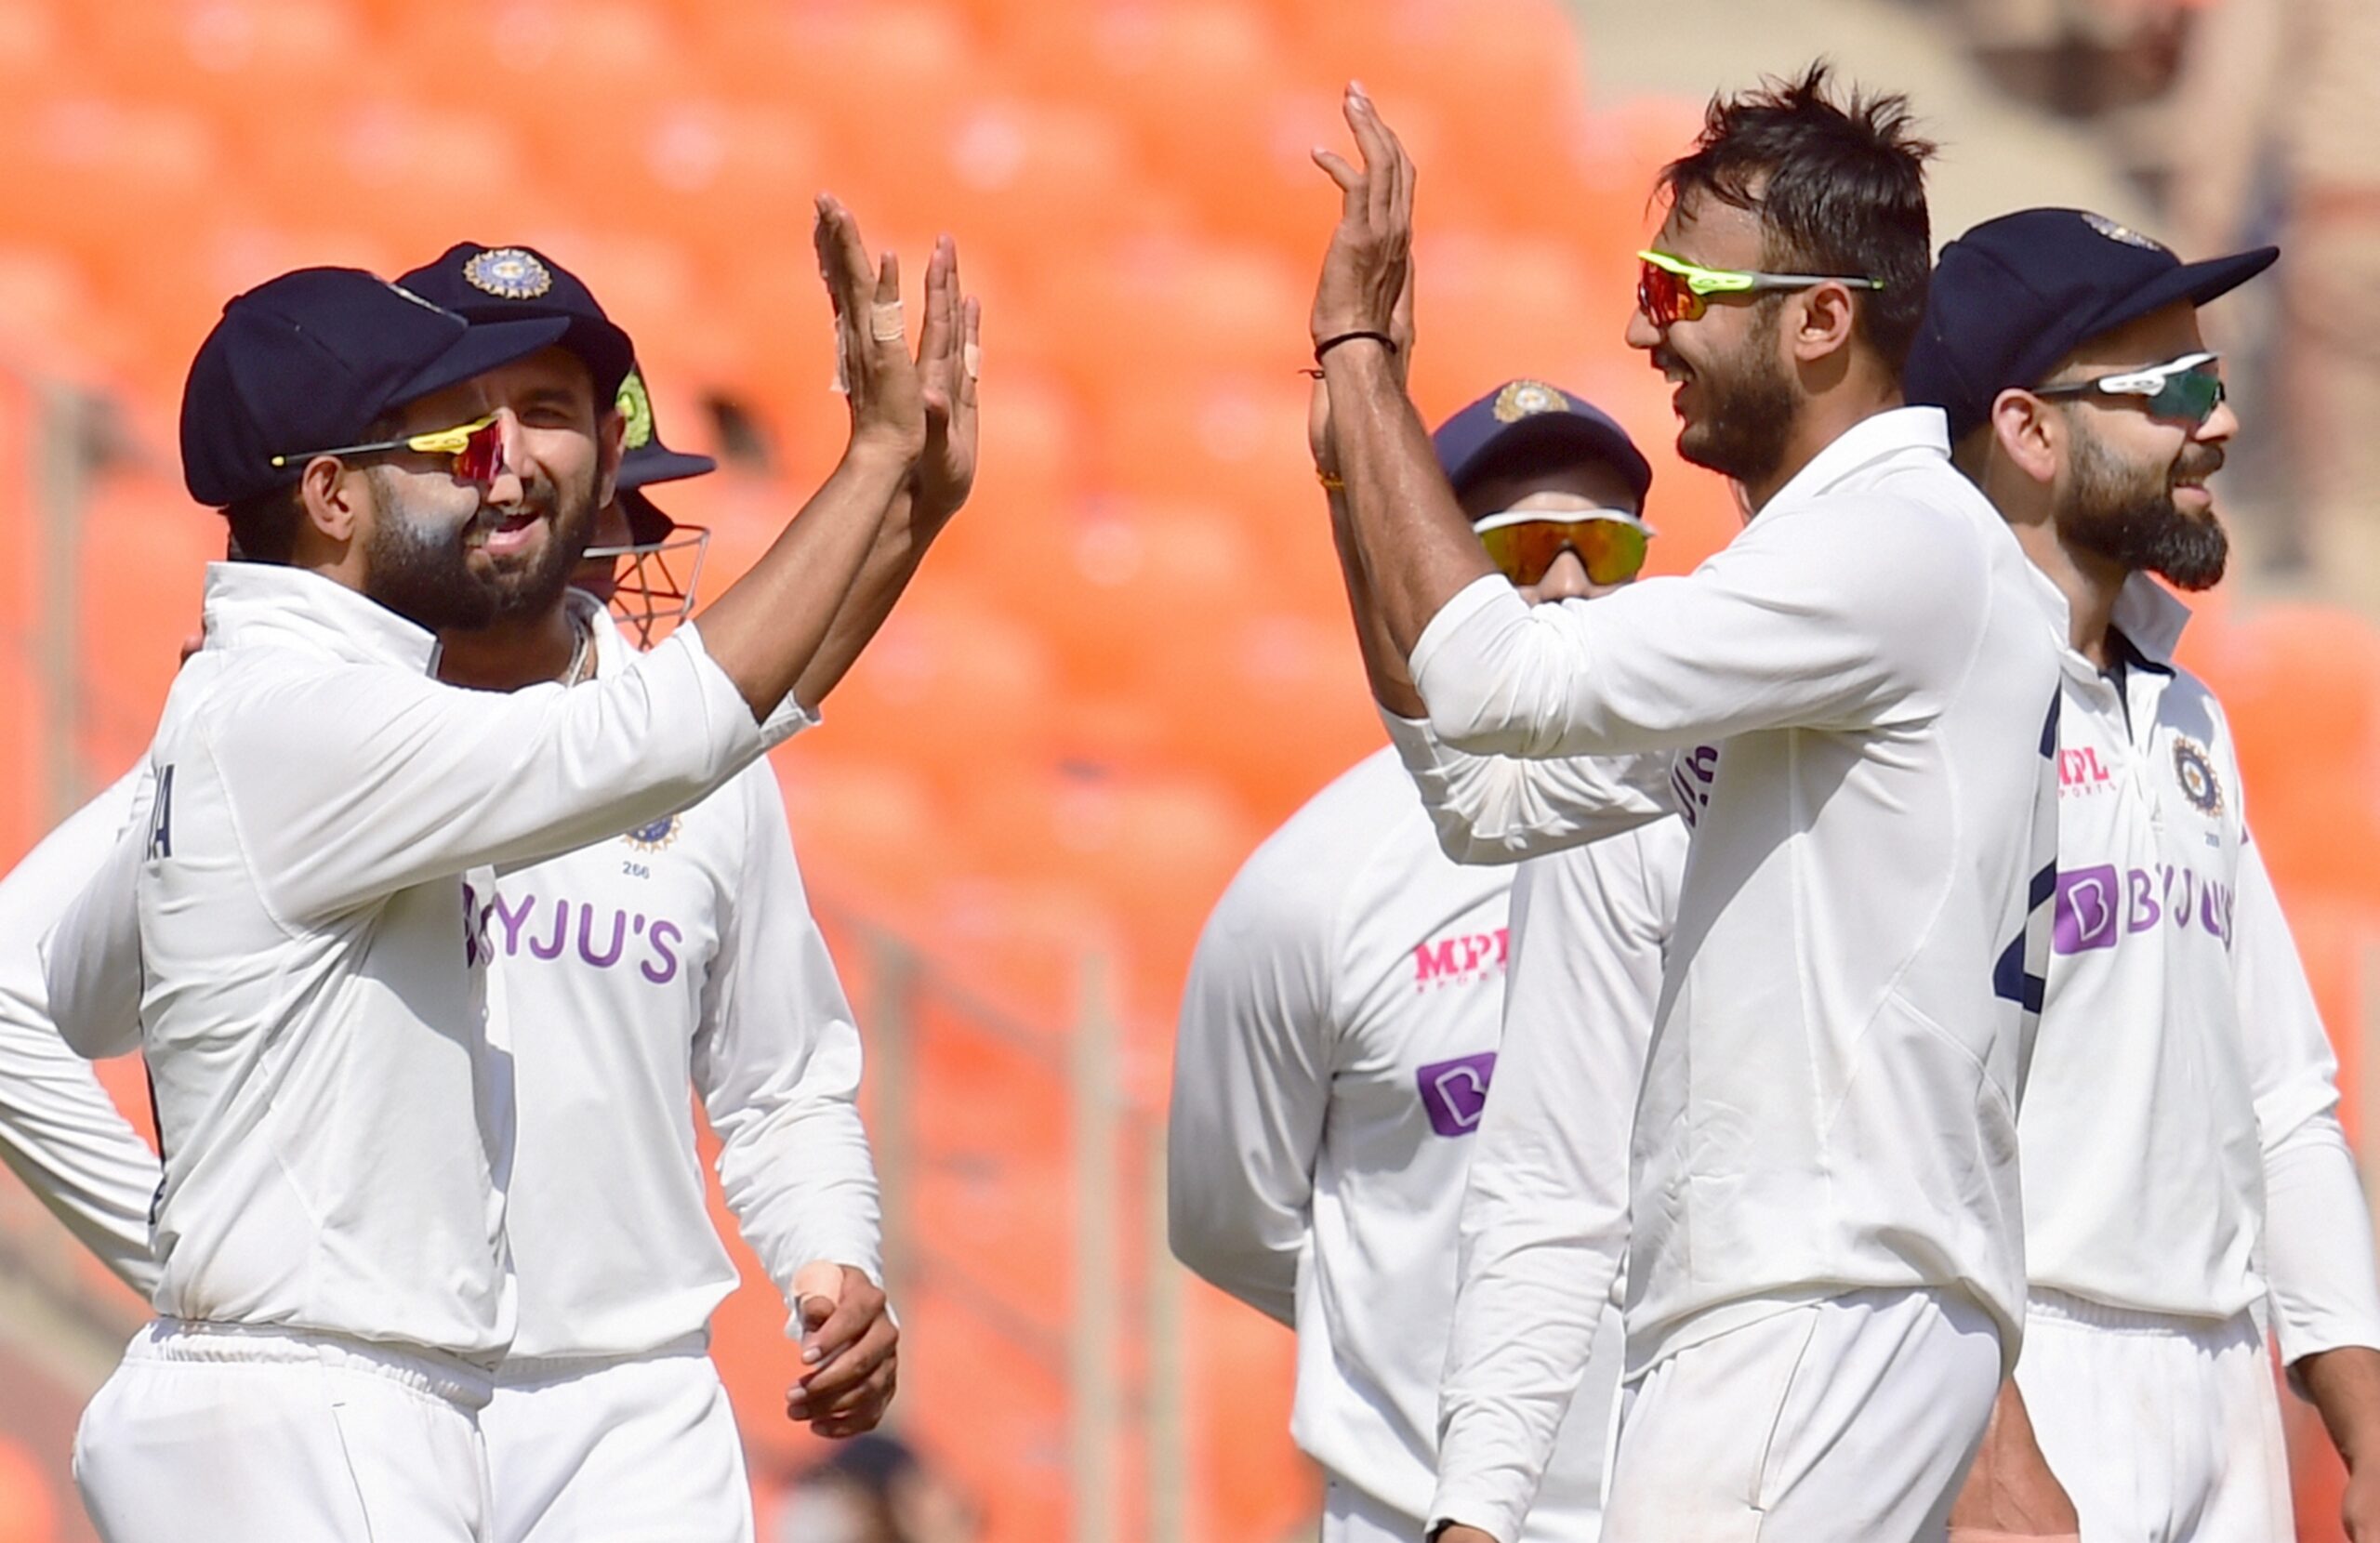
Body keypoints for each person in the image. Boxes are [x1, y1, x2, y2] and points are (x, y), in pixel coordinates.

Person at [42, 197, 943, 1543]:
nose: (494, 469)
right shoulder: (316, 726)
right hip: (333, 1385)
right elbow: (643, 745)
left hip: (565, 1402)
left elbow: (776, 1071)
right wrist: (880, 482)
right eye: (450, 437)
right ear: (334, 494)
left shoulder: (263, 713)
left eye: (534, 422)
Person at [1306, 69, 2067, 1541]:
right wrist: (1361, 474)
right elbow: (1487, 800)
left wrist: (1360, 361)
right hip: (1812, 1308)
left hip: (1814, 1303)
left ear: (1822, 320)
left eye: (1678, 289)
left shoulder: (1891, 548)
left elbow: (1498, 682)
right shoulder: (1848, 576)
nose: (1647, 331)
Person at [391, 238, 975, 1543]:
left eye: (623, 508)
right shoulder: (329, 726)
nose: (622, 553)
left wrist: (834, 1264)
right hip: (377, 1390)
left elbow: (781, 1083)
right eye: (620, 518)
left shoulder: (710, 775)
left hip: (632, 1411)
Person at [1906, 205, 2380, 1541]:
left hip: (2229, 1384)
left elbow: (2283, 1100)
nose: (2218, 422)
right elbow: (1879, 1120)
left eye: (2213, 378)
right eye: (2171, 389)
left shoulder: (2187, 714)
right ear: (2028, 430)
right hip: (2032, 1374)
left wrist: (2363, 1421)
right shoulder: (1921, 715)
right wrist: (1988, 1439)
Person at [1170, 375, 1685, 1543]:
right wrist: (1413, 1353)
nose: (1568, 584)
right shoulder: (1309, 887)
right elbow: (1231, 1225)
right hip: (1414, 1516)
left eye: (1604, 545)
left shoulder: (1720, 818)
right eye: (1516, 549)